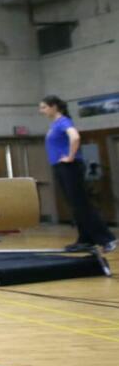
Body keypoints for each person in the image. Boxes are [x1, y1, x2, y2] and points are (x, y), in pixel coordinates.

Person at [39, 96, 116, 254]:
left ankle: (107, 239)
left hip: (69, 167)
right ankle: (85, 240)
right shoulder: (55, 124)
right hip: (61, 167)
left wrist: (70, 157)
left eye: (44, 107)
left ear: (54, 107)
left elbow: (75, 137)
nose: (41, 111)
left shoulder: (63, 121)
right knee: (75, 206)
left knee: (82, 205)